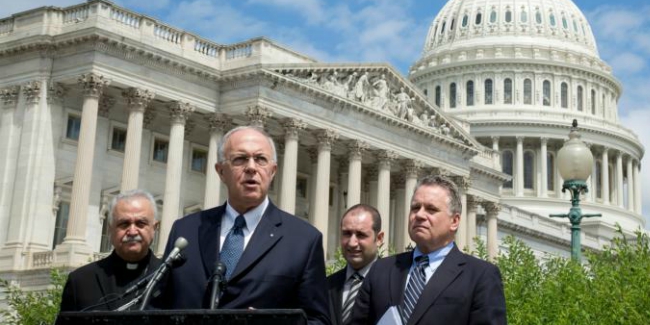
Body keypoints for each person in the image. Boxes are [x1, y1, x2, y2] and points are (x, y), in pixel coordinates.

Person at [157, 126, 331, 324]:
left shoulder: (303, 240)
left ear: (272, 171)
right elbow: (158, 308)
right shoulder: (185, 231)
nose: (251, 167)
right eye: (240, 159)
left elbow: (319, 321)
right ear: (221, 171)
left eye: (260, 159)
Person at [351, 175, 507, 325]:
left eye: (431, 209)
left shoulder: (481, 276)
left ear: (454, 221)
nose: (419, 215)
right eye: (415, 207)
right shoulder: (381, 270)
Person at [59, 189, 162, 312]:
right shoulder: (81, 281)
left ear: (154, 228)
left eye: (140, 223)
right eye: (124, 224)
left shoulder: (171, 278)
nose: (132, 232)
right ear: (110, 229)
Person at [327, 204, 384, 325]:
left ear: (379, 239)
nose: (352, 243)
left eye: (361, 235)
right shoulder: (326, 285)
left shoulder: (394, 284)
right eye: (347, 233)